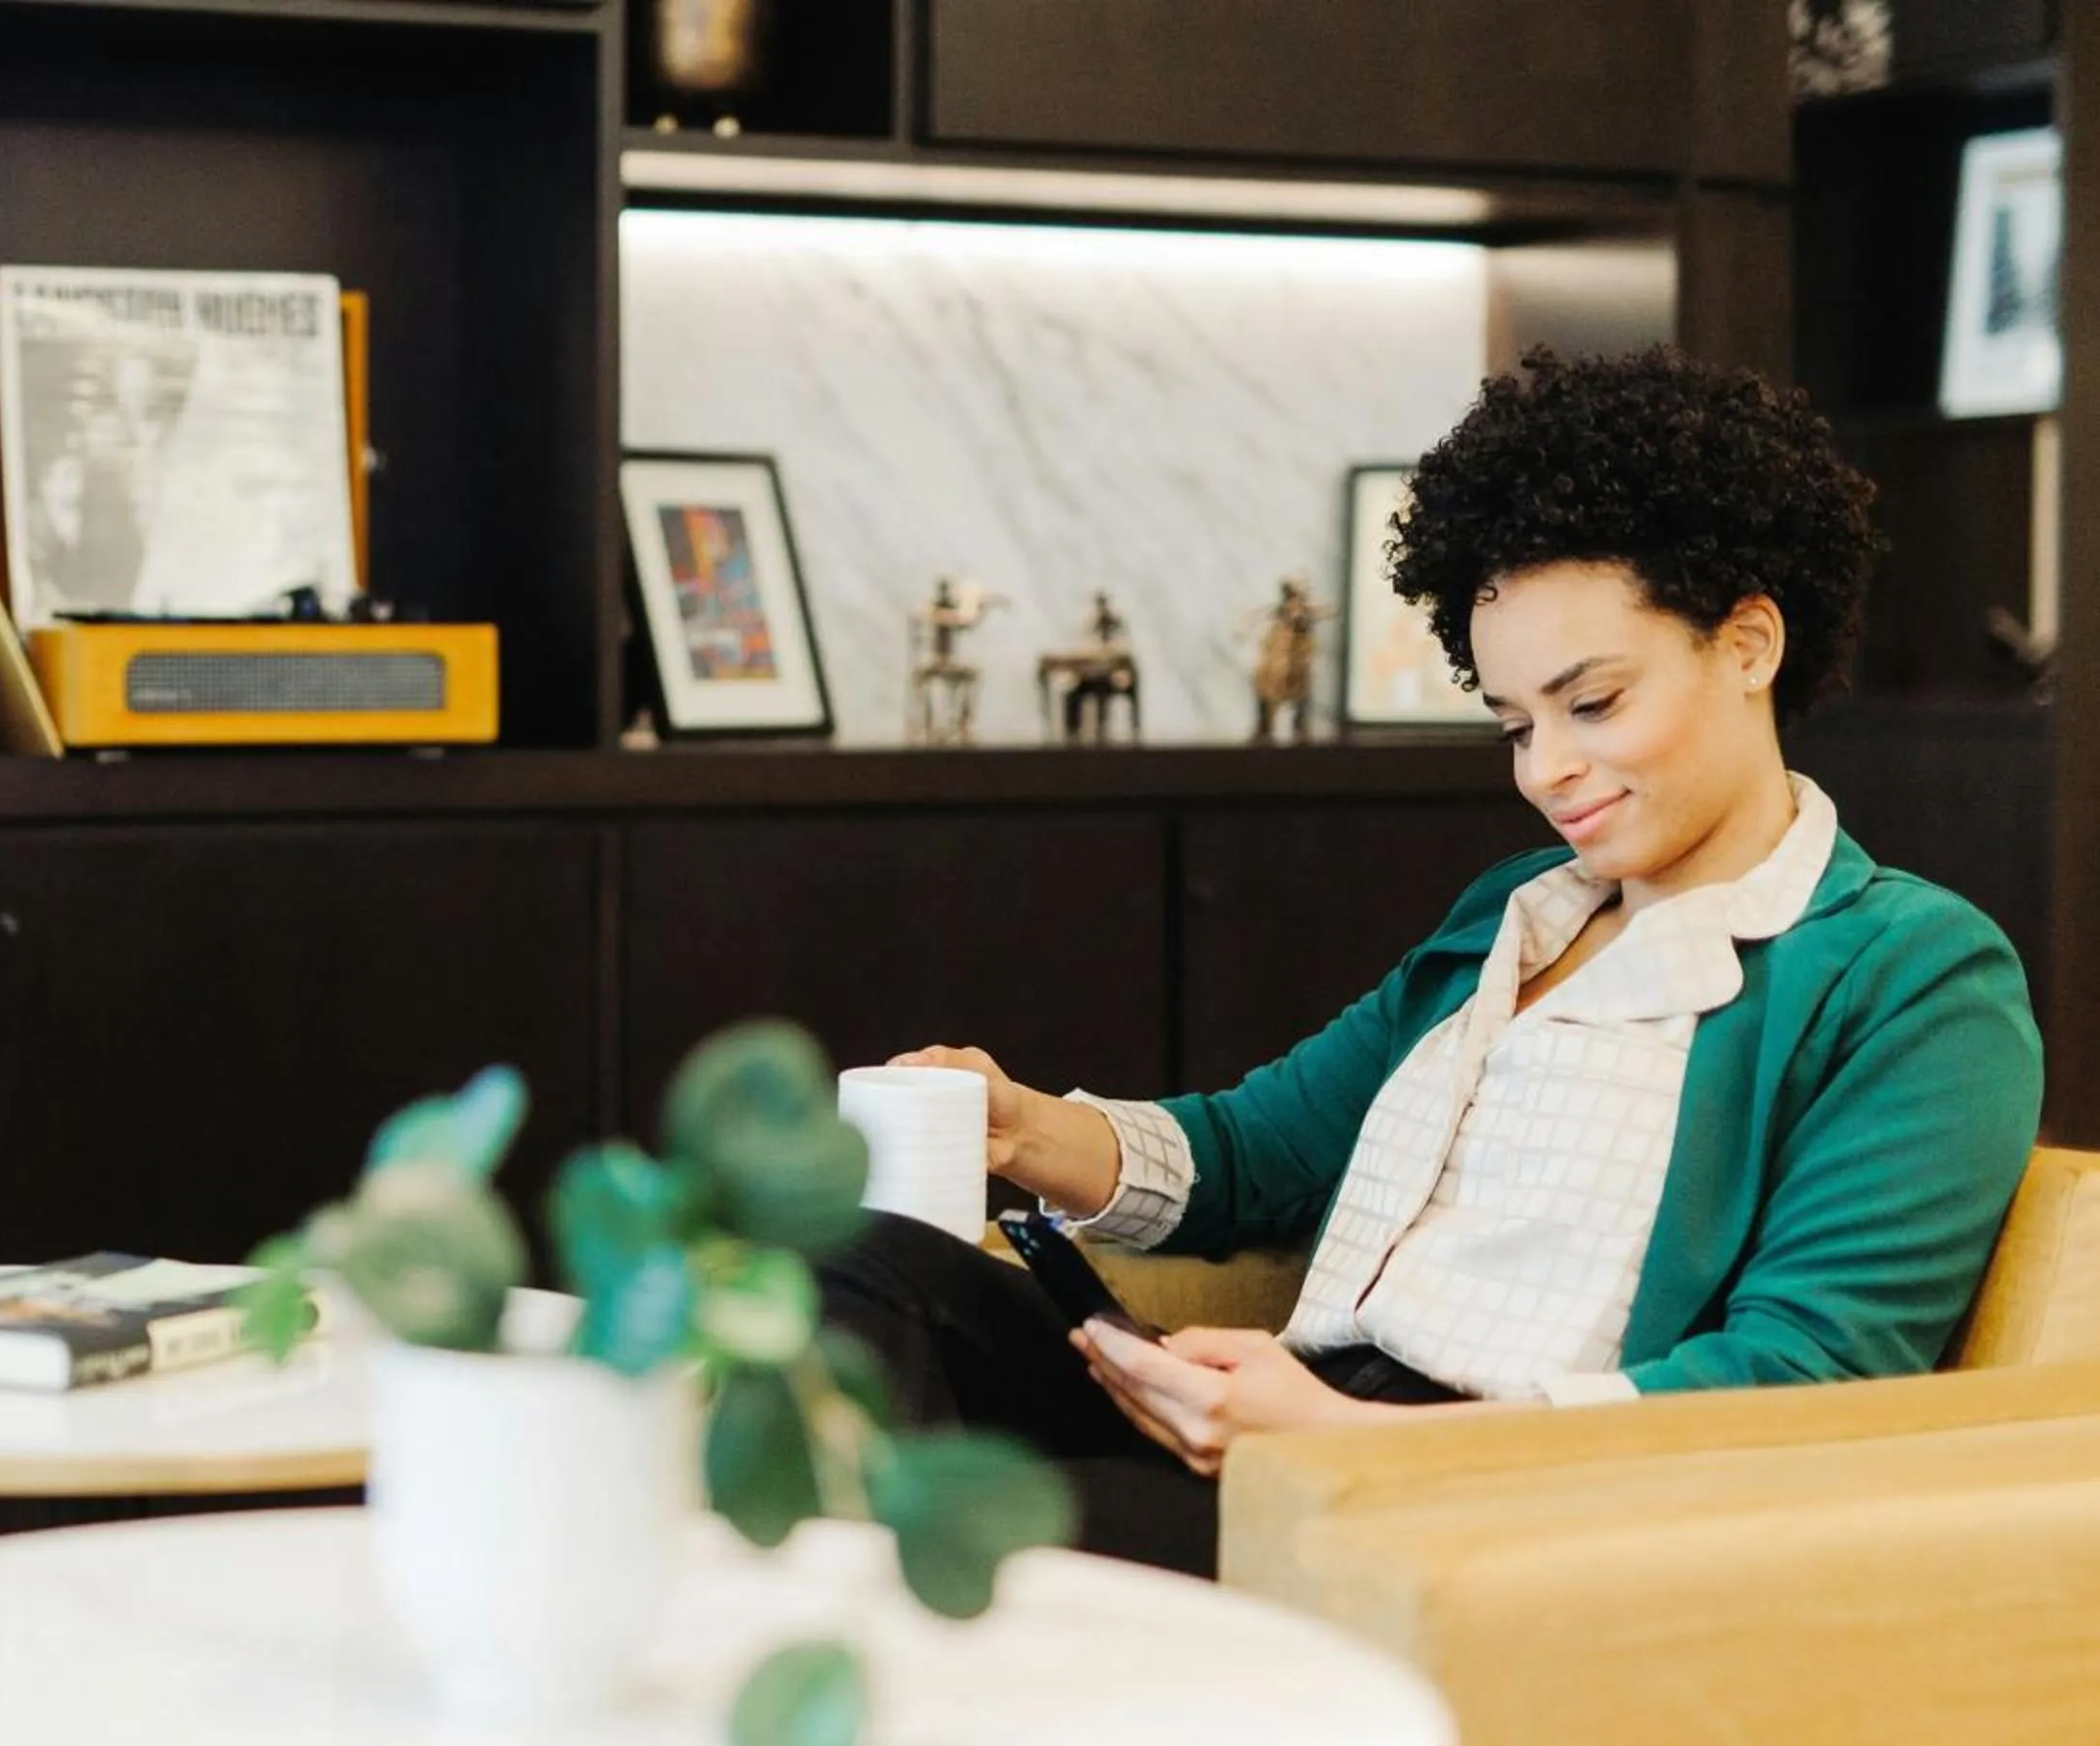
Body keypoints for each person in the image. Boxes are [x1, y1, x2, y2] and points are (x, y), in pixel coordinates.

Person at [820, 346, 2045, 1578]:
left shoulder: (1916, 977)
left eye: (1596, 702)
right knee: (851, 1261)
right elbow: (1257, 1153)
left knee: (963, 1530)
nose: (1545, 769)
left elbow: (1802, 1378)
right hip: (1287, 1427)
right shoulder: (1513, 914)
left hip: (1472, 1508)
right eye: (1517, 724)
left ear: (1749, 643)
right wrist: (1022, 1128)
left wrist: (1352, 1440)